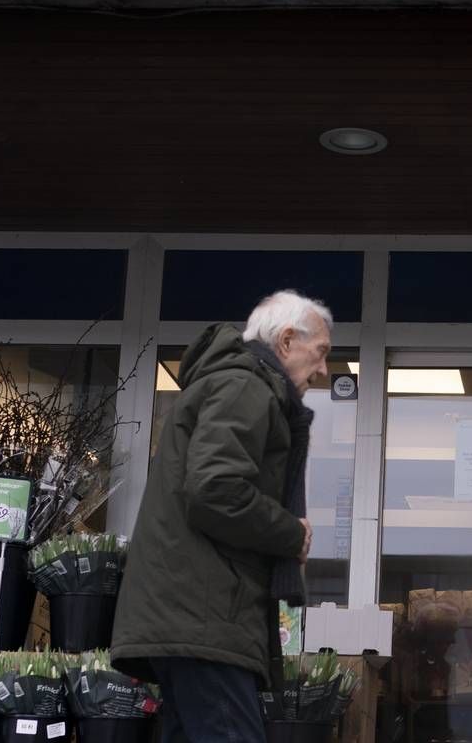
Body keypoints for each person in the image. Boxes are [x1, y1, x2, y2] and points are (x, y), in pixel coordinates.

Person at [112, 290, 329, 743]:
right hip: (205, 620)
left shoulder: (231, 383)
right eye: (321, 352)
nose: (324, 370)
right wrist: (292, 534)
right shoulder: (246, 386)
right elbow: (215, 488)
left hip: (193, 616)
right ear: (287, 341)